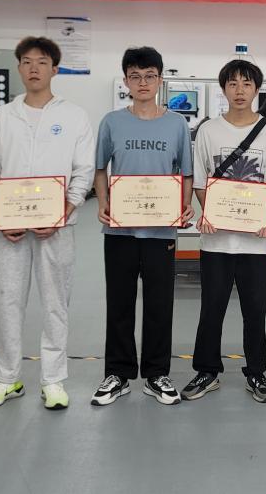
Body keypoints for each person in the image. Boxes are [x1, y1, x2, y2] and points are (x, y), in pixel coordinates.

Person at [0, 37, 94, 411]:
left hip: (57, 227)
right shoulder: (2, 116)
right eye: (26, 61)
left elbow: (83, 170)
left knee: (56, 303)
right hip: (8, 229)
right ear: (18, 68)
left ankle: (53, 380)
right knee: (7, 302)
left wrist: (64, 210)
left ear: (55, 69)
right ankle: (7, 378)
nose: (33, 68)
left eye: (42, 62)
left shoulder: (73, 116)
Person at [182, 59, 266, 404]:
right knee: (211, 309)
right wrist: (210, 211)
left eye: (246, 84)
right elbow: (201, 180)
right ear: (223, 89)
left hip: (256, 243)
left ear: (256, 89)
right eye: (233, 84)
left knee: (255, 311)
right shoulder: (209, 130)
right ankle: (207, 371)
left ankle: (256, 372)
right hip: (215, 240)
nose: (239, 90)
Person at [91, 47, 195, 407]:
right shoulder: (111, 122)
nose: (143, 83)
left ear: (160, 80)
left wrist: (183, 207)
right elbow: (100, 168)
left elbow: (186, 172)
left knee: (159, 305)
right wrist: (102, 203)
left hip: (161, 231)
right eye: (135, 76)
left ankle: (156, 375)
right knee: (119, 303)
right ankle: (118, 374)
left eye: (150, 76)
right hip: (120, 230)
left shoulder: (176, 124)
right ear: (126, 81)